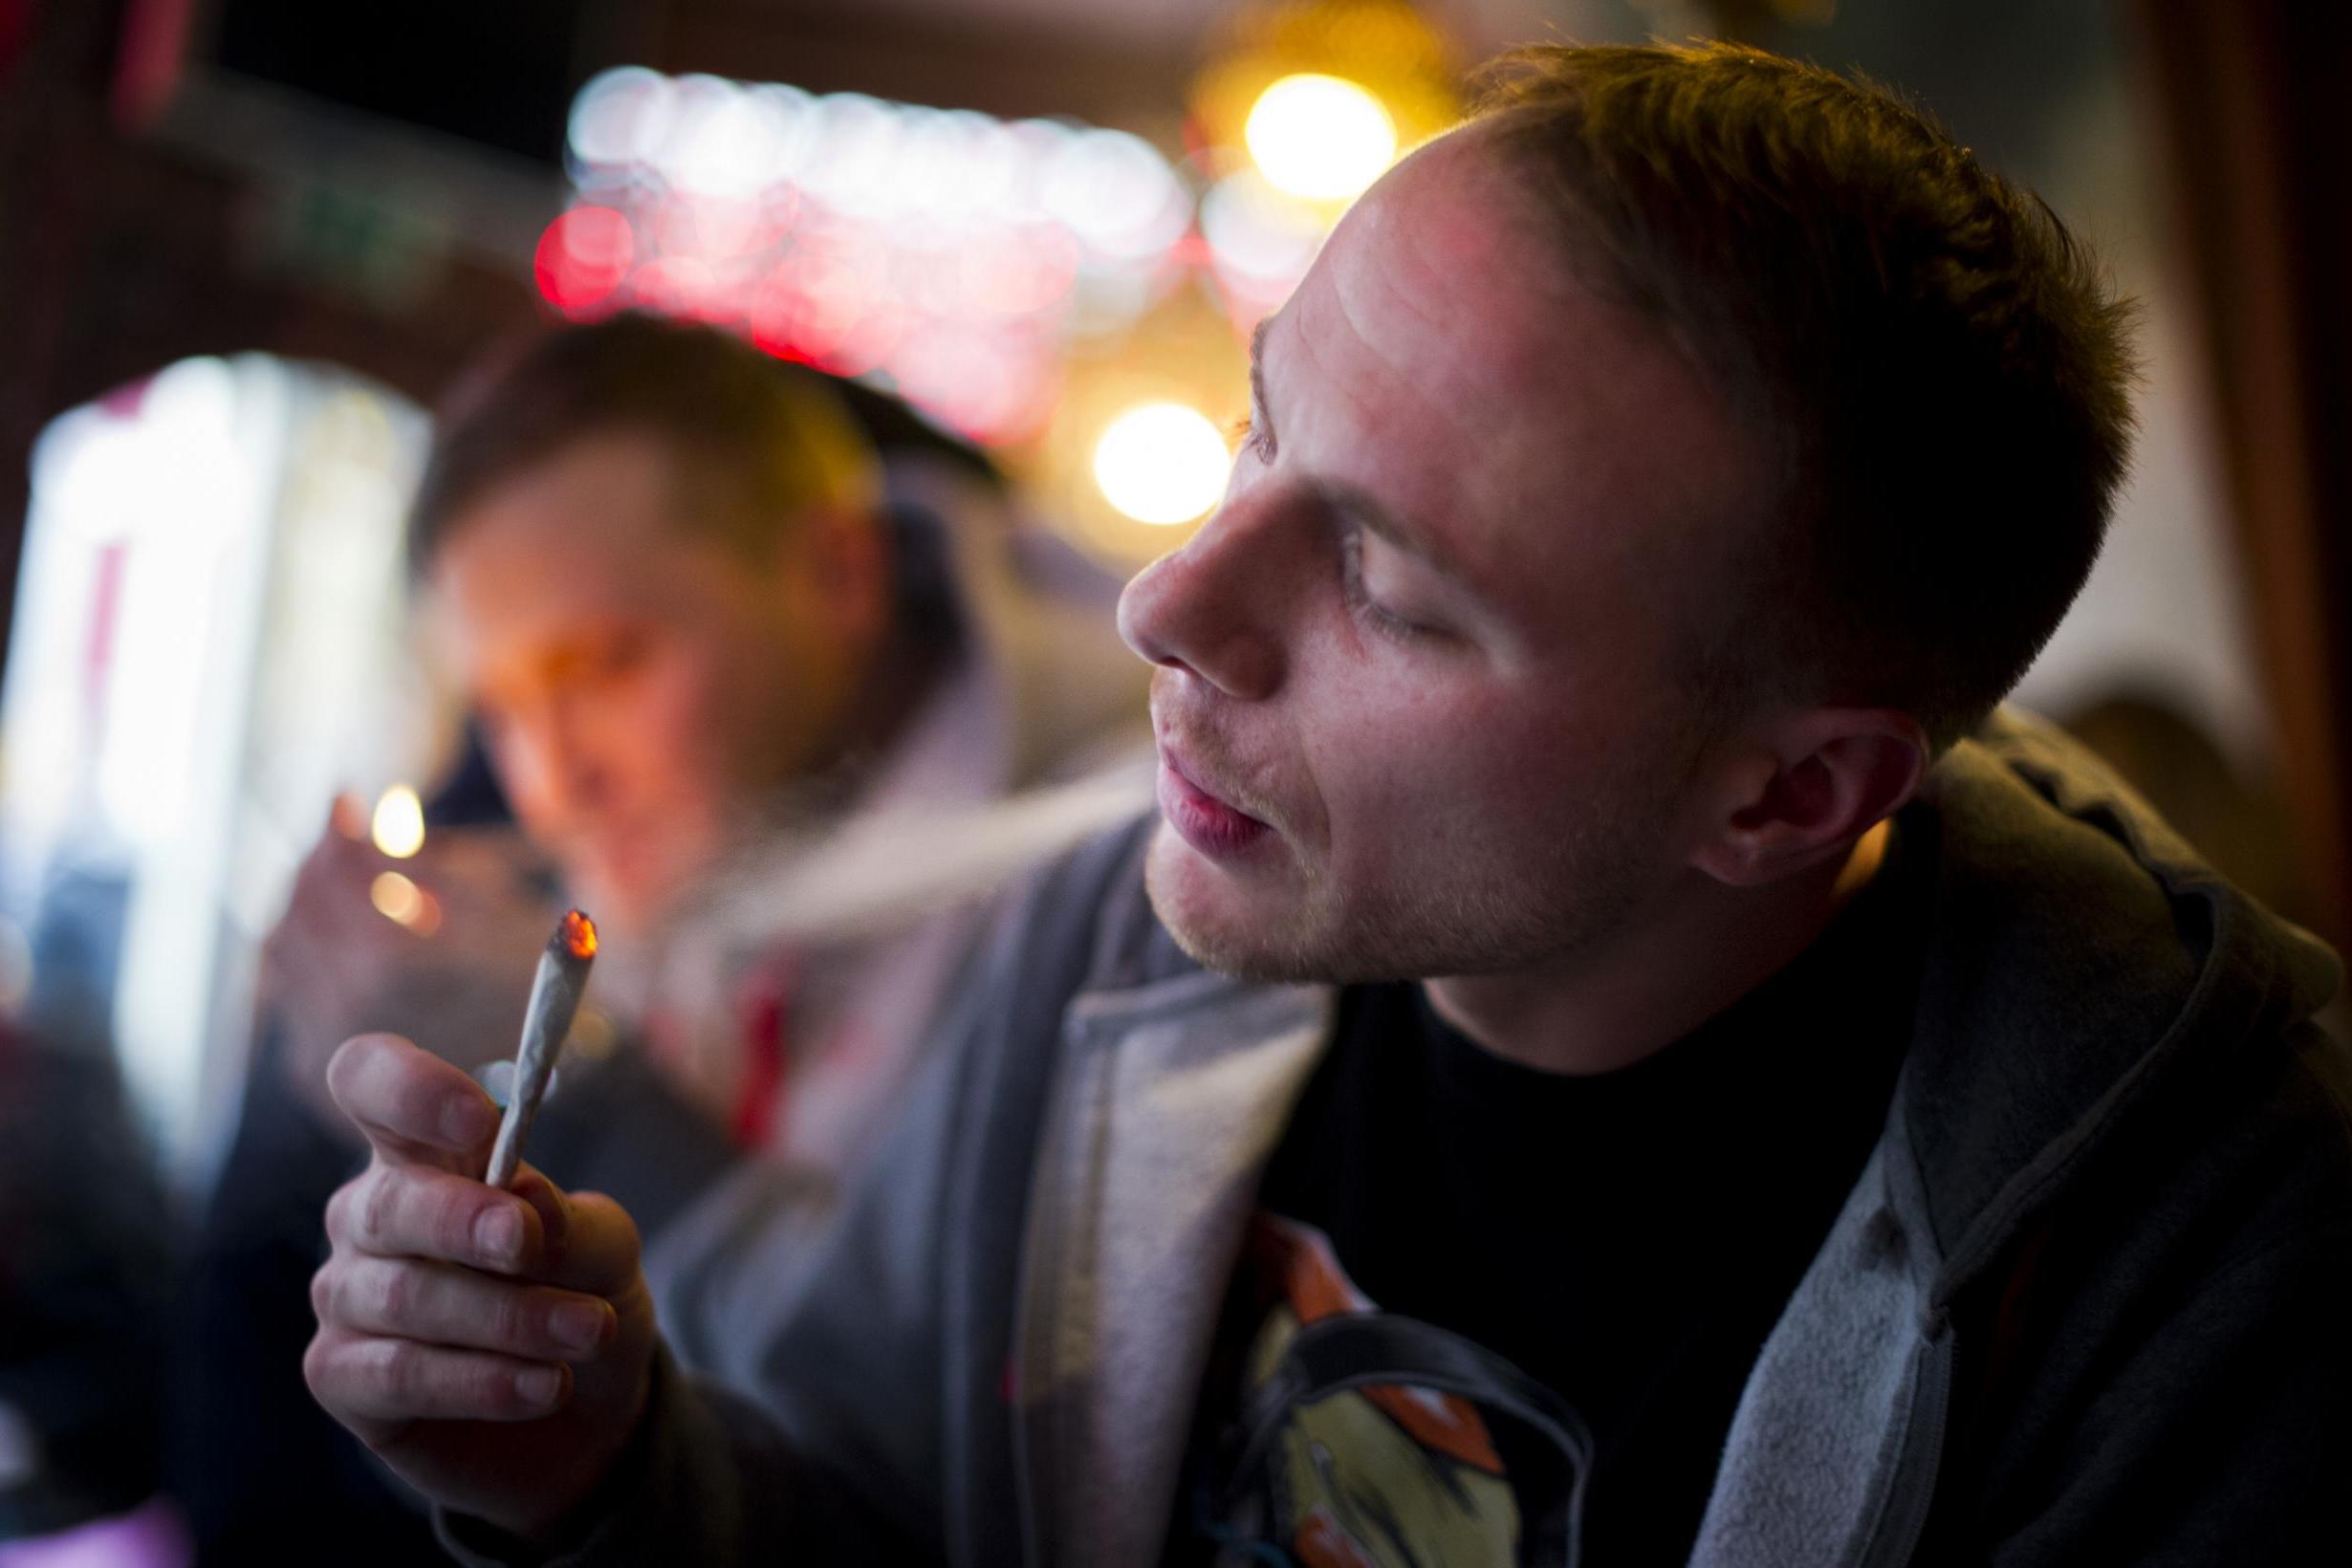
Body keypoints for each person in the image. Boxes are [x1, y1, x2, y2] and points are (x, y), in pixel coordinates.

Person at [304, 43, 2351, 1566]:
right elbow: (883, 1518)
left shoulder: (2202, 1255)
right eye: (1252, 427)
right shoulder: (1114, 929)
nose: (1169, 602)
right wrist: (602, 1466)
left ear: (1792, 791)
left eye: (1382, 582)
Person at [172, 318, 1144, 1560]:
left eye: (606, 664)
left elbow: (910, 1452)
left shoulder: (1113, 884)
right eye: (506, 708)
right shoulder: (679, 826)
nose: (552, 781)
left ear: (838, 574)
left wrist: (567, 1083)